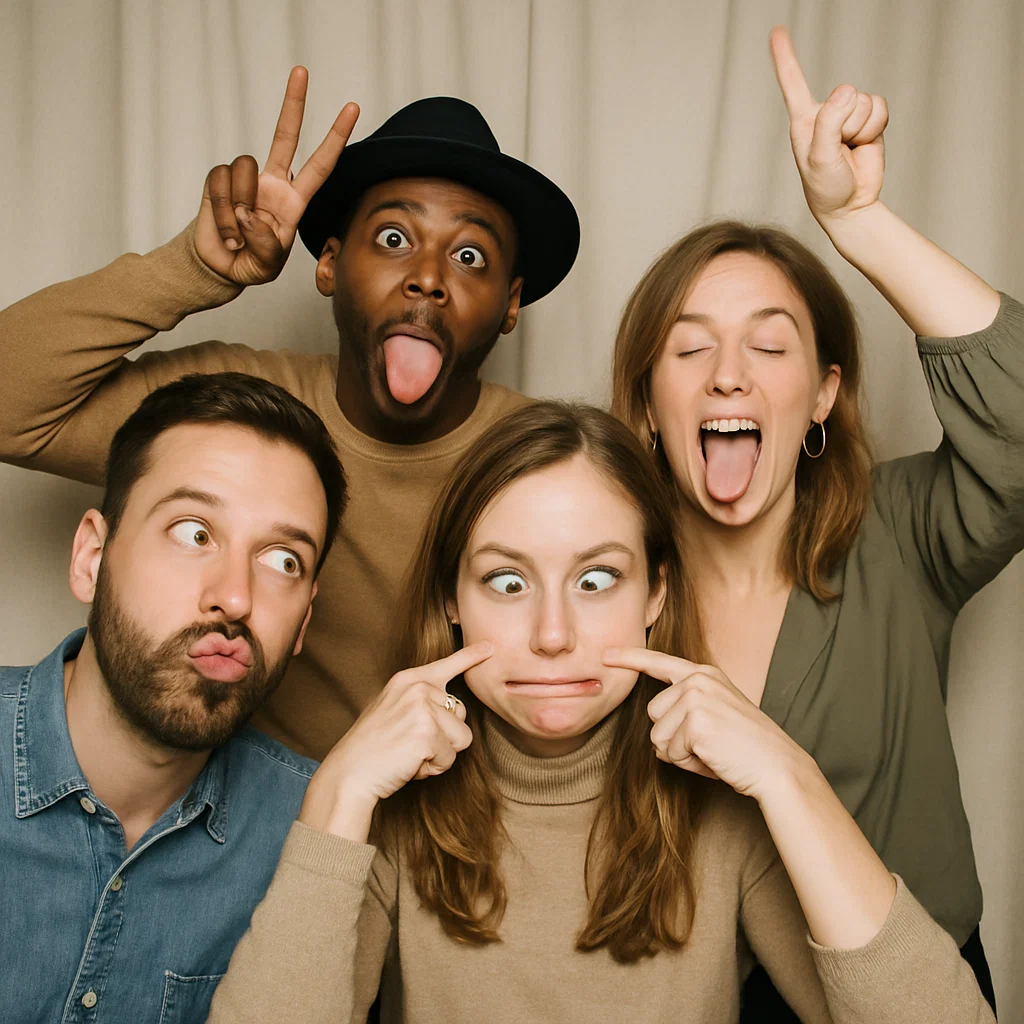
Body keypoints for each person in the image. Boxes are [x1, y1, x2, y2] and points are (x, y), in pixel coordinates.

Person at [203, 401, 993, 1024]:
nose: (553, 636)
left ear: (655, 593)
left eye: (595, 580)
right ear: (451, 598)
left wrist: (791, 776)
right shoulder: (390, 808)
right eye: (508, 582)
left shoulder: (722, 808)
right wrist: (338, 794)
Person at [611, 28, 1021, 1018]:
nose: (728, 375)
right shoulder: (598, 580)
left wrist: (859, 221)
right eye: (689, 349)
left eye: (770, 345)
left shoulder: (901, 534)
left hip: (910, 989)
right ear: (647, 405)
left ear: (824, 393)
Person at [0, 69, 579, 761]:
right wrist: (194, 267)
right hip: (259, 817)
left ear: (510, 302)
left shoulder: (553, 463)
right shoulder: (239, 420)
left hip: (468, 822)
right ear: (330, 263)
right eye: (393, 239)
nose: (428, 277)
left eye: (469, 255)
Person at [0, 372, 346, 1022]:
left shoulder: (318, 831)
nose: (235, 597)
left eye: (283, 561)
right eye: (194, 532)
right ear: (92, 557)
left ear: (304, 621)